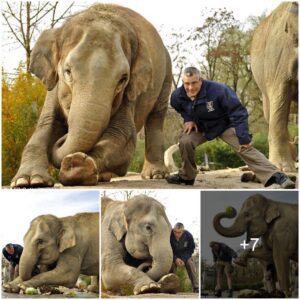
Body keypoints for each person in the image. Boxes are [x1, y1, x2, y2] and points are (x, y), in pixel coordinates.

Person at [166, 67, 295, 189]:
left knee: (244, 147)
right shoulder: (177, 96)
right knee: (185, 142)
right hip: (201, 126)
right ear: (183, 82)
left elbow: (238, 112)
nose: (190, 87)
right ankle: (187, 177)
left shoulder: (219, 90)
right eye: (187, 84)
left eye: (194, 83)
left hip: (224, 124)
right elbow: (180, 108)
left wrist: (243, 137)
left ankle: (277, 176)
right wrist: (188, 119)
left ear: (201, 80)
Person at [170, 222, 199, 293]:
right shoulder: (169, 235)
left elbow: (191, 249)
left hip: (185, 256)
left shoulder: (189, 236)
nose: (177, 234)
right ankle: (172, 287)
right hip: (172, 255)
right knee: (171, 265)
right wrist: (175, 259)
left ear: (183, 231)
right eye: (175, 232)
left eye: (179, 232)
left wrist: (183, 259)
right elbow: (167, 249)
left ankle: (196, 287)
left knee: (190, 264)